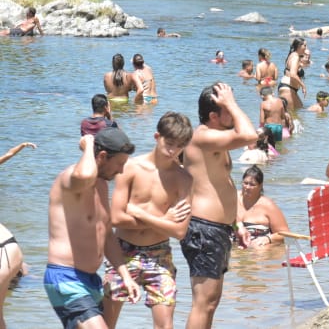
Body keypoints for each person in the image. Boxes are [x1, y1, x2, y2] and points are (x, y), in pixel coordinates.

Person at [103, 112, 194, 329]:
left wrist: (142, 214)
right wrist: (164, 220)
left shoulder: (184, 179)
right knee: (106, 323)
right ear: (156, 136)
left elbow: (180, 231)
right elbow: (115, 217)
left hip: (160, 253)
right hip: (123, 251)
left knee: (165, 325)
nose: (173, 150)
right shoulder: (130, 168)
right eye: (169, 143)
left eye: (179, 146)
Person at [46, 128, 140, 329]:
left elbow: (106, 235)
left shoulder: (101, 185)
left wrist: (125, 276)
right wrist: (88, 145)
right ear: (103, 156)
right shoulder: (71, 180)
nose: (122, 171)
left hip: (90, 281)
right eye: (120, 164)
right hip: (65, 277)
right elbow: (85, 173)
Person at [180, 83, 256, 329]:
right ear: (213, 116)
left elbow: (221, 183)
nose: (233, 113)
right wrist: (231, 103)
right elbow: (250, 136)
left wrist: (237, 222)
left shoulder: (215, 140)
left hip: (216, 228)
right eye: (227, 109)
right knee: (203, 302)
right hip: (204, 228)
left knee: (211, 301)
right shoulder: (203, 136)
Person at [0, 140, 35, 329]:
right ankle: (23, 275)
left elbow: (6, 157)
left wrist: (21, 146)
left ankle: (22, 274)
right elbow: (6, 156)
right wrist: (21, 146)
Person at [236, 167, 288, 249]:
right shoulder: (232, 199)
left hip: (259, 247)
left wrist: (269, 239)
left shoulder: (268, 205)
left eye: (252, 184)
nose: (247, 187)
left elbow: (285, 234)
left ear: (260, 186)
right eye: (245, 183)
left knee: (260, 250)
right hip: (235, 244)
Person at [279, 38, 307, 110]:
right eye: (305, 45)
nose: (306, 48)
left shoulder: (293, 55)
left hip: (290, 88)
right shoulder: (295, 56)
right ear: (299, 46)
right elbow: (293, 74)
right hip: (287, 88)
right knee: (291, 115)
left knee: (300, 111)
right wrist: (303, 86)